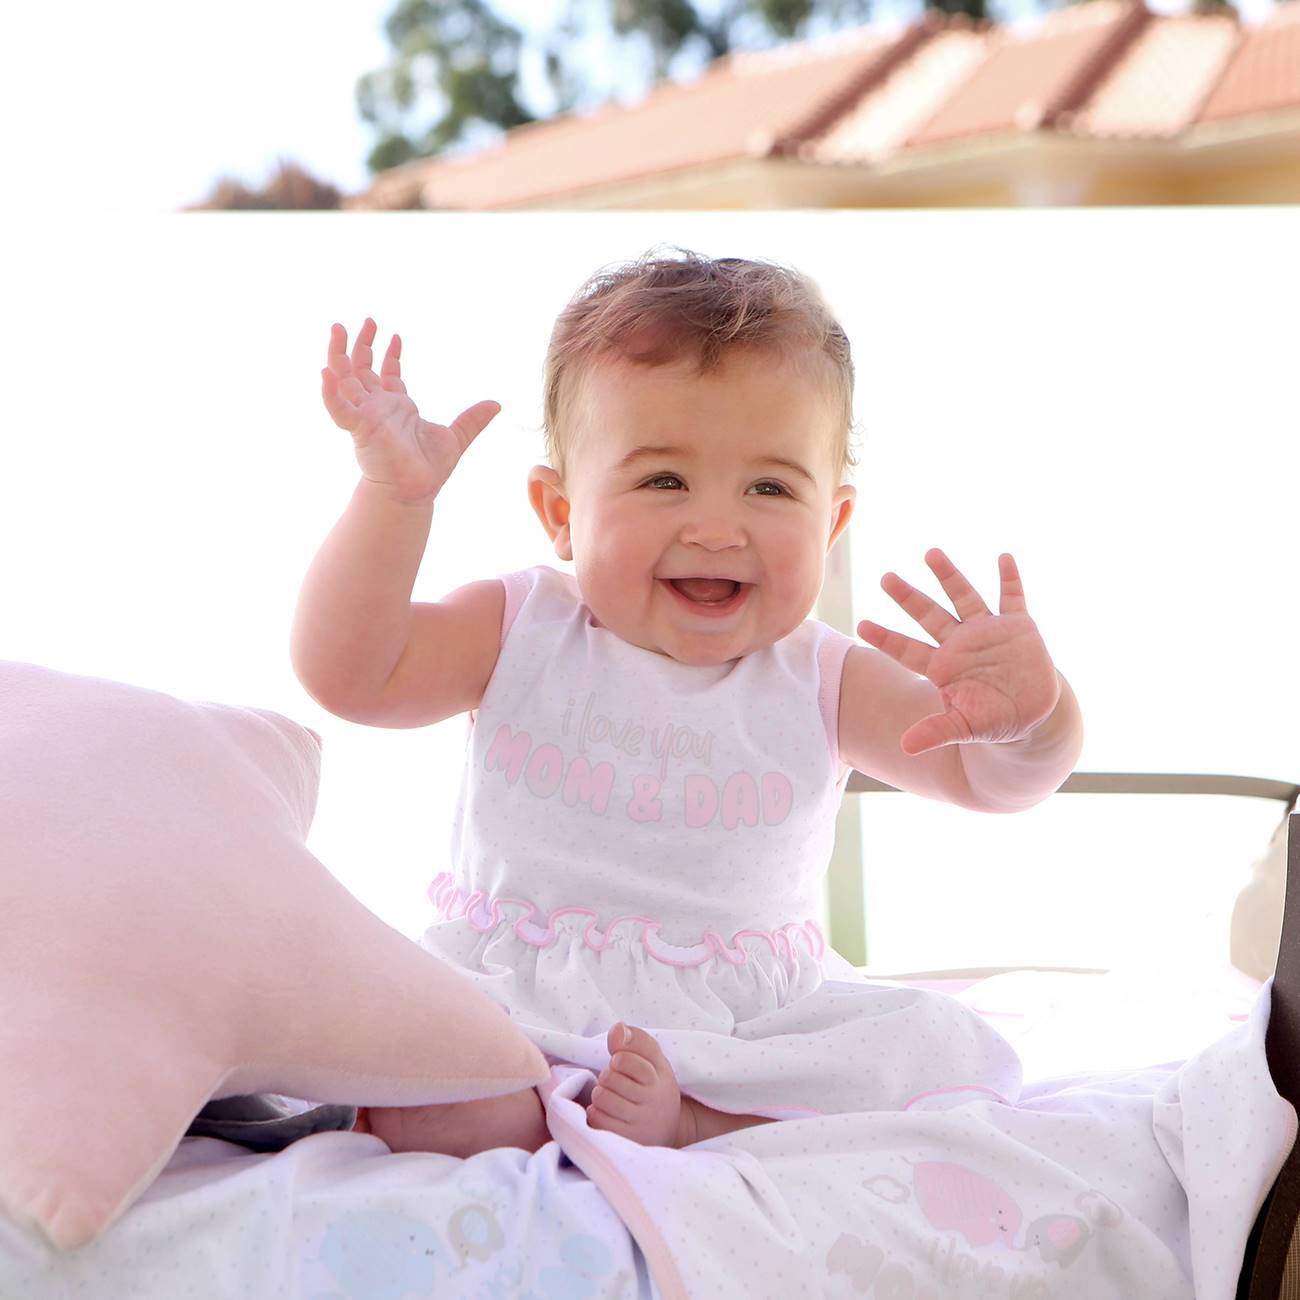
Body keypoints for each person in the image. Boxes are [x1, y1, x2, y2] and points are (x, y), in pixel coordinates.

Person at [290, 248, 1083, 1157]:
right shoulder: (521, 626)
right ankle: (537, 1111)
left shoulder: (822, 676)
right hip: (511, 1004)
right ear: (560, 510)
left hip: (739, 1035)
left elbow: (990, 781)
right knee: (429, 1084)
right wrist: (393, 500)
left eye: (771, 486)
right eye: (663, 480)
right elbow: (351, 673)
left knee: (942, 1049)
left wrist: (1034, 718)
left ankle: (701, 1124)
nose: (715, 526)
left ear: (830, 522)